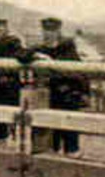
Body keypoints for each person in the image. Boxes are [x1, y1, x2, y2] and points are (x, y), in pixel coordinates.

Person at [29, 16, 85, 154]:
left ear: (58, 31)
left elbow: (77, 74)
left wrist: (51, 62)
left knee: (70, 138)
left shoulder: (68, 49)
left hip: (67, 97)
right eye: (46, 30)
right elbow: (21, 54)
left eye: (52, 30)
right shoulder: (39, 49)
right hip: (47, 98)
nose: (48, 33)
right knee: (47, 138)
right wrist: (36, 56)